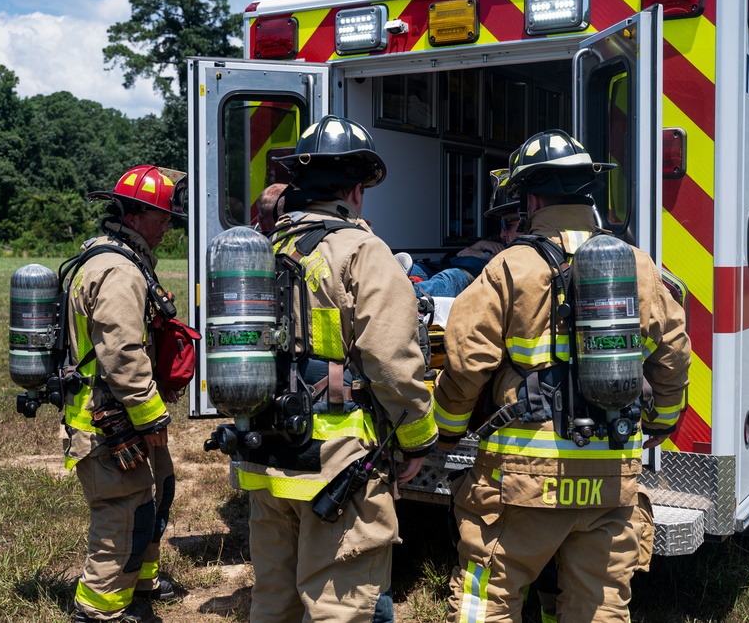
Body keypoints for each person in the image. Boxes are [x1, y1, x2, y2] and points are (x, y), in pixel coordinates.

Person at [433, 130, 691, 623]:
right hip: (610, 476)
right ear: (587, 195)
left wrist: (444, 430)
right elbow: (674, 353)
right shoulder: (635, 265)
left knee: (486, 603)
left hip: (523, 480)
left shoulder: (510, 267)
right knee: (600, 608)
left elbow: (465, 361)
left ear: (530, 197)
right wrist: (662, 419)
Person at [239, 115, 438, 622]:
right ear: (355, 190)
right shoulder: (362, 251)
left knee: (272, 602)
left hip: (266, 457)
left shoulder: (262, 250)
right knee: (340, 607)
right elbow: (392, 363)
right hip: (338, 462)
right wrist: (416, 441)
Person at [65, 165, 189, 623]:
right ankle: (97, 609)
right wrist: (152, 417)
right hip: (109, 422)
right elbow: (121, 353)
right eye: (161, 218)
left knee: (154, 494)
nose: (167, 227)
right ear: (135, 216)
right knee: (121, 516)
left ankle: (142, 581)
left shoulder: (119, 260)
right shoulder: (118, 270)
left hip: (123, 416)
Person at [399, 169, 521, 299]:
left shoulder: (531, 252)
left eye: (508, 225)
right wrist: (480, 245)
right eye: (500, 225)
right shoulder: (498, 245)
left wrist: (483, 255)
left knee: (450, 278)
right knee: (414, 268)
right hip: (449, 264)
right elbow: (463, 254)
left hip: (465, 273)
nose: (502, 234)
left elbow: (513, 266)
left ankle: (399, 299)